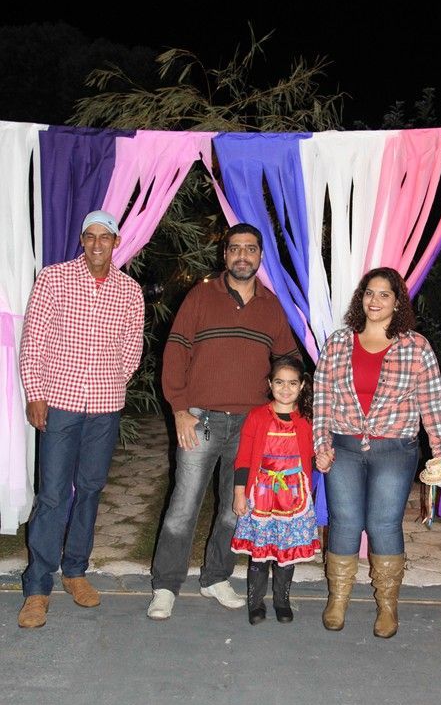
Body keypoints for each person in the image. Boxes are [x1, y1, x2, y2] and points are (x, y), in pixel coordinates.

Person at [147, 223, 300, 621]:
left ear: (260, 256)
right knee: (184, 505)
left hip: (251, 425)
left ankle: (216, 577)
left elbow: (288, 360)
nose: (242, 255)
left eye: (250, 249)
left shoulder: (271, 306)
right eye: (235, 248)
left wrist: (284, 404)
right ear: (225, 254)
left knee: (236, 507)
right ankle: (166, 585)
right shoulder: (200, 296)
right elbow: (175, 351)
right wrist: (179, 409)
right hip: (201, 419)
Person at [17, 210, 145, 629]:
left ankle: (75, 570)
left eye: (104, 237)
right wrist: (36, 393)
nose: (96, 244)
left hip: (104, 406)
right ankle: (37, 587)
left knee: (90, 489)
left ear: (116, 242)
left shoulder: (129, 290)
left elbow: (132, 347)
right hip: (60, 402)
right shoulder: (54, 279)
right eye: (89, 236)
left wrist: (112, 380)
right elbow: (34, 339)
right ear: (81, 240)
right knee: (53, 495)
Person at [313, 266, 441, 638]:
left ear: (397, 302)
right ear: (360, 298)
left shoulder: (416, 347)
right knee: (344, 522)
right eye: (369, 292)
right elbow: (322, 399)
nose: (374, 300)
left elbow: (431, 404)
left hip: (395, 450)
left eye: (384, 294)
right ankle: (338, 599)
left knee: (383, 524)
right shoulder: (338, 343)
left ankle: (388, 606)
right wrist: (321, 445)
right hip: (344, 447)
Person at [231, 355, 321, 625]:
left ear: (302, 385)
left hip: (294, 496)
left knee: (286, 552)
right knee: (260, 553)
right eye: (279, 382)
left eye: (292, 383)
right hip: (261, 495)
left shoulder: (307, 418)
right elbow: (244, 458)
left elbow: (314, 453)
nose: (285, 388)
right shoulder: (257, 416)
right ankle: (255, 603)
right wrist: (239, 493)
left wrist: (324, 458)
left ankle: (282, 601)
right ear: (270, 384)